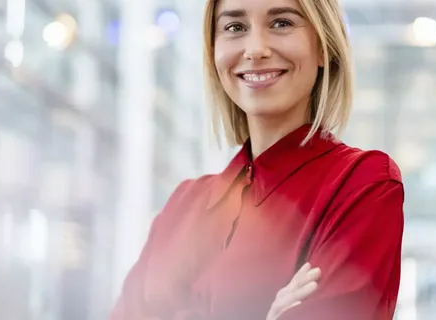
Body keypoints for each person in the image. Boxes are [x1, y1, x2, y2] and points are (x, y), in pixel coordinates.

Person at [110, 0, 404, 319]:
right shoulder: (183, 204)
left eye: (281, 23)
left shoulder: (364, 185)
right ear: (214, 53)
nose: (255, 49)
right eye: (235, 27)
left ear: (324, 47)